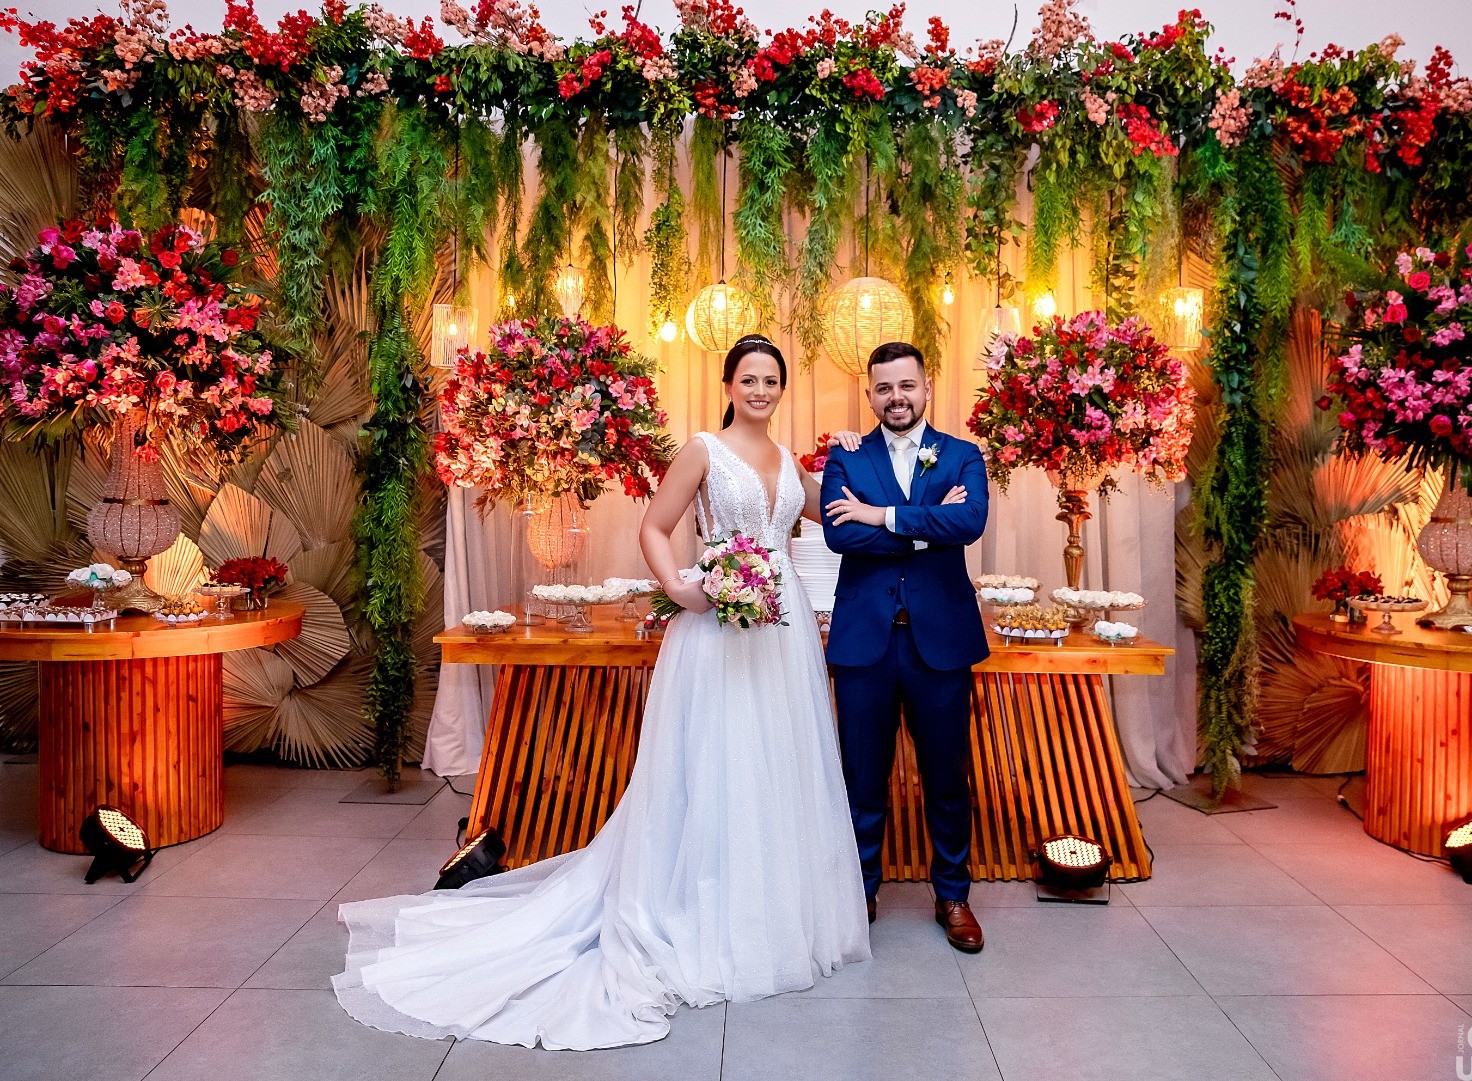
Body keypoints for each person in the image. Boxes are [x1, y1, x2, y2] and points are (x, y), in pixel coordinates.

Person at [334, 334, 869, 1050]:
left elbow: (833, 515)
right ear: (729, 385)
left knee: (775, 761)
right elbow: (655, 527)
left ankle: (767, 912)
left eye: (772, 380)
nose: (761, 390)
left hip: (781, 626)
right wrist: (682, 586)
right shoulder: (704, 451)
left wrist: (856, 457)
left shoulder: (790, 460)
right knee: (715, 760)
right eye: (749, 378)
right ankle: (698, 909)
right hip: (716, 621)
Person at [821, 340, 991, 953]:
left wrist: (880, 516)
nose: (897, 397)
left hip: (939, 643)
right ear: (870, 394)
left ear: (927, 388)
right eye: (884, 388)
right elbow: (839, 536)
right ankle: (860, 892)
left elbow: (968, 524)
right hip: (864, 642)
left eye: (906, 385)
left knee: (946, 777)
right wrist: (923, 526)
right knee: (861, 776)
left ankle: (953, 895)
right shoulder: (845, 456)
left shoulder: (963, 454)